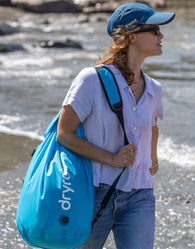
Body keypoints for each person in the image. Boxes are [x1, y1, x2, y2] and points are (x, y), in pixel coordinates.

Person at [57, 2, 175, 249]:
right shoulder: (91, 80)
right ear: (131, 36)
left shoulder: (154, 89)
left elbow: (152, 124)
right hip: (94, 193)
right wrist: (111, 159)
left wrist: (152, 158)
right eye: (154, 29)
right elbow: (64, 134)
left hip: (140, 194)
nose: (161, 35)